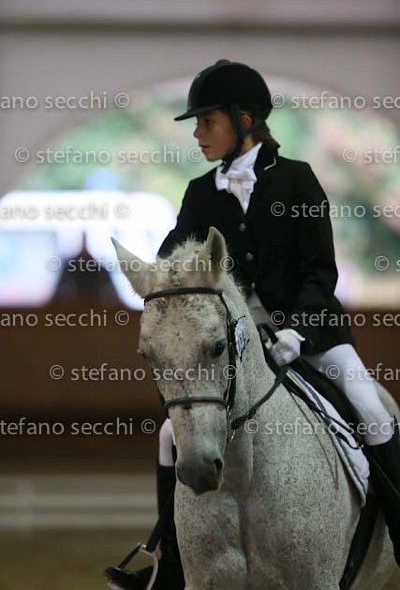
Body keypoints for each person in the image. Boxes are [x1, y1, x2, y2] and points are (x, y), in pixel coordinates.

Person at [114, 60, 400, 588]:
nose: (198, 134)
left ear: (244, 120)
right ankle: (169, 565)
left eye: (207, 121)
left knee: (371, 409)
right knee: (169, 435)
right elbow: (175, 256)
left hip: (312, 333)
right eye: (197, 124)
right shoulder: (200, 193)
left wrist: (297, 330)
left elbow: (320, 273)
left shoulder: (297, 180)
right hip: (237, 341)